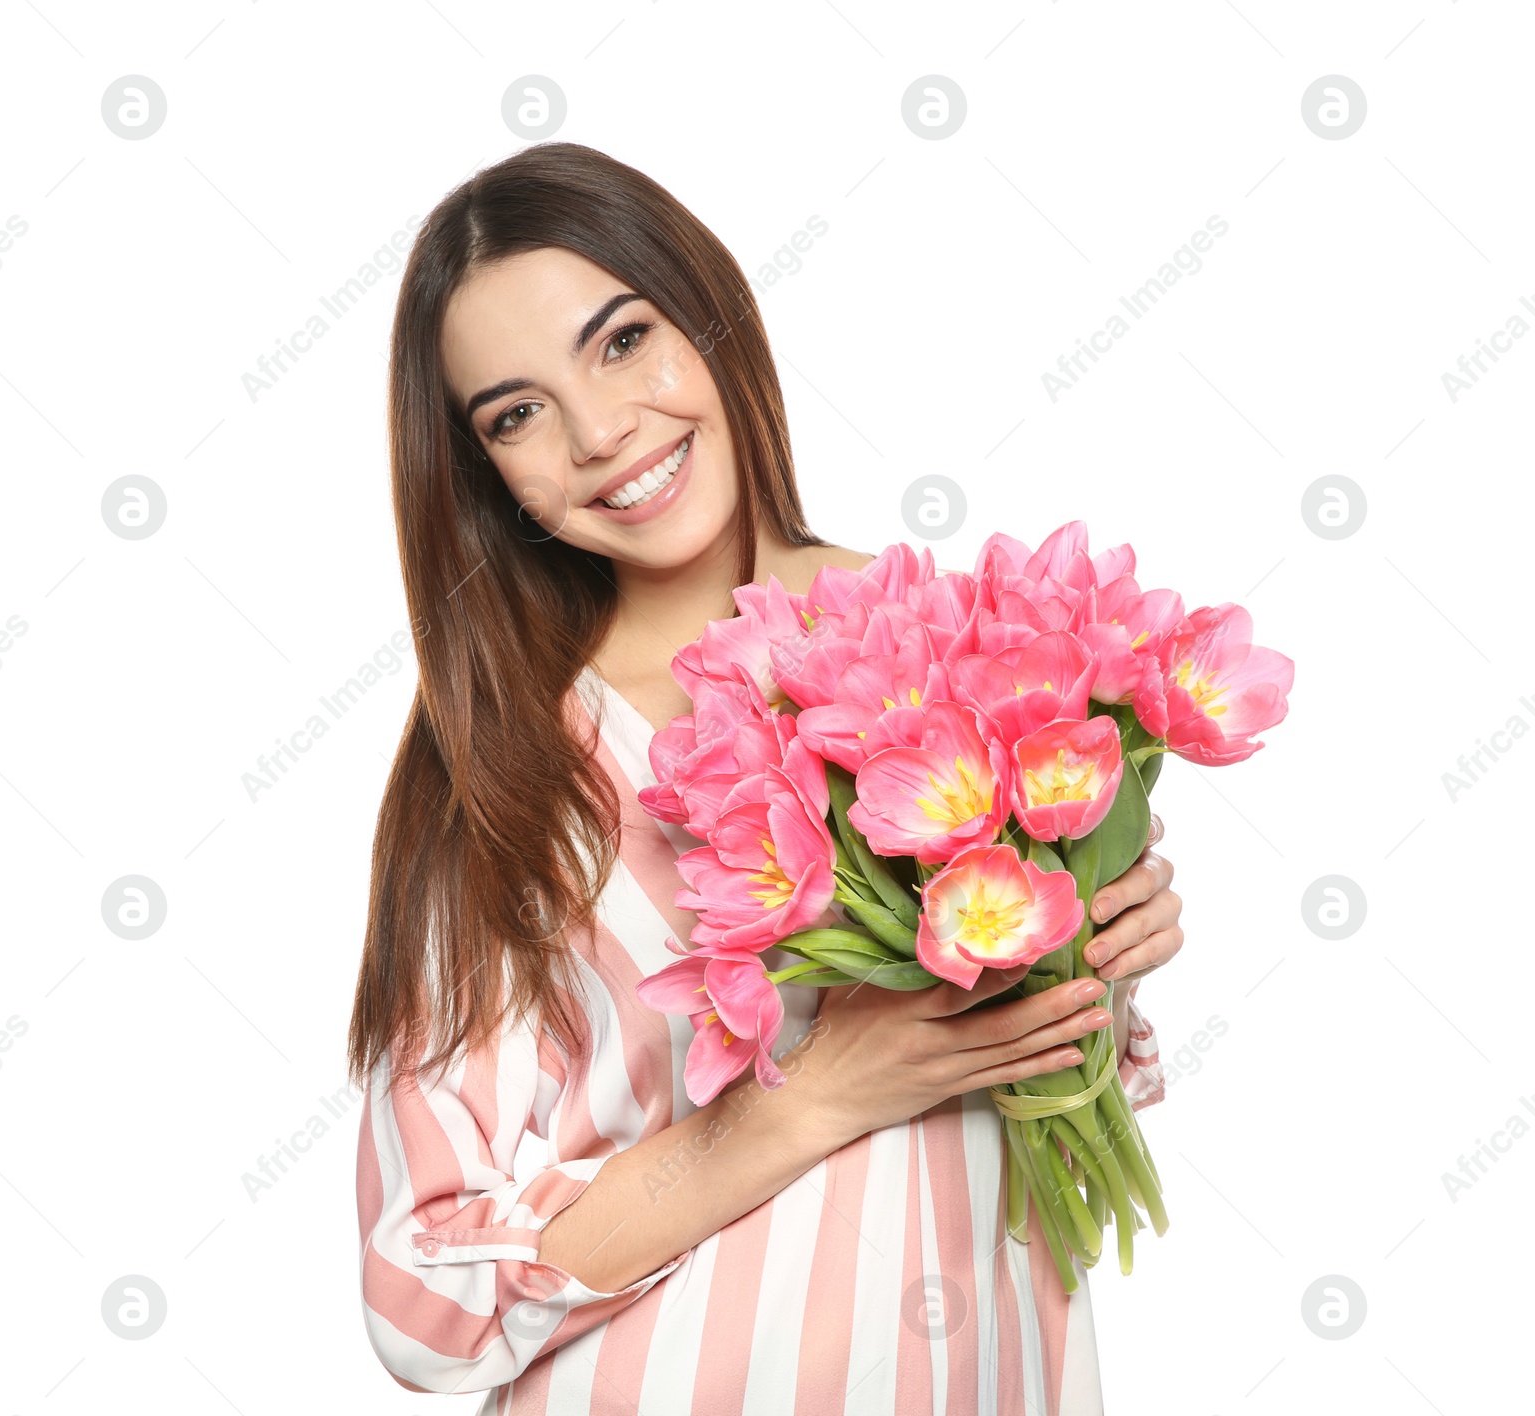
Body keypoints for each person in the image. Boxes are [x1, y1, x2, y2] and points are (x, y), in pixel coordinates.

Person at [348, 141, 1185, 1415]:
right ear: (484, 475)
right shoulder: (510, 772)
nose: (598, 431)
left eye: (622, 340)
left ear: (710, 311)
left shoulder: (967, 643)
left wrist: (1095, 957)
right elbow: (424, 1291)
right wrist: (806, 1104)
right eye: (514, 414)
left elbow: (1046, 1096)